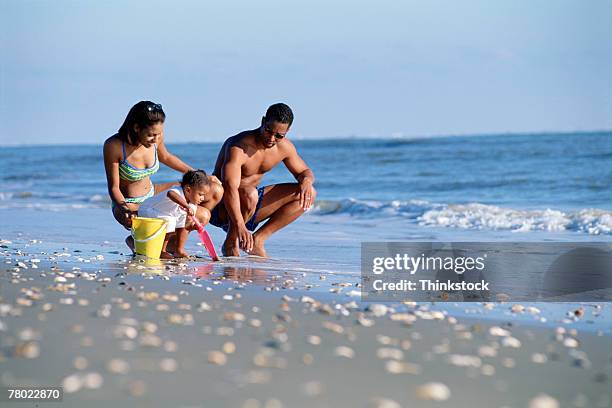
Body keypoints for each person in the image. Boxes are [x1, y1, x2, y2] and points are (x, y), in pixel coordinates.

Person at [103, 101, 223, 251]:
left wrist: (196, 175)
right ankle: (143, 240)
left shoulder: (156, 137)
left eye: (159, 134)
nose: (156, 139)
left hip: (152, 194)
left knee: (214, 190)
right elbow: (113, 188)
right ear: (136, 127)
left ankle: (170, 245)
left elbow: (166, 157)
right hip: (129, 203)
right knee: (201, 215)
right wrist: (124, 209)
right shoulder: (114, 146)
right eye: (151, 135)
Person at [210, 103, 316, 257]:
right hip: (221, 207)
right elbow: (229, 187)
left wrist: (306, 181)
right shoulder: (239, 146)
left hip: (250, 207)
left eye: (279, 135)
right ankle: (230, 243)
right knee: (249, 193)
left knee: (309, 193)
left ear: (287, 132)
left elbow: (304, 172)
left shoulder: (284, 148)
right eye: (268, 131)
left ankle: (258, 240)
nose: (272, 138)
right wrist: (239, 225)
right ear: (263, 121)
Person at [138, 170, 211, 259]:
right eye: (200, 194)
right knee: (170, 221)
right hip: (148, 209)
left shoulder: (192, 204)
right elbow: (170, 194)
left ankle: (179, 250)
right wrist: (186, 206)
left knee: (183, 222)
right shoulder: (177, 191)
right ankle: (161, 251)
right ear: (188, 190)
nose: (202, 198)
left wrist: (190, 223)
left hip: (163, 213)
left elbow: (185, 225)